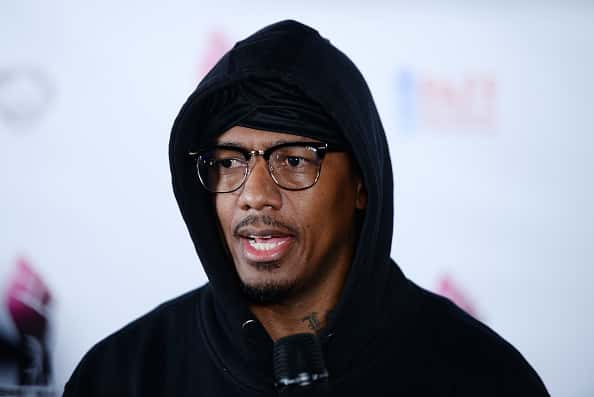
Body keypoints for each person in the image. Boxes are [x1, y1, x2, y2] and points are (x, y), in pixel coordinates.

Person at [63, 20, 549, 396]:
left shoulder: (480, 376)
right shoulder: (123, 375)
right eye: (228, 163)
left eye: (294, 160)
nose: (254, 194)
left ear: (362, 184)